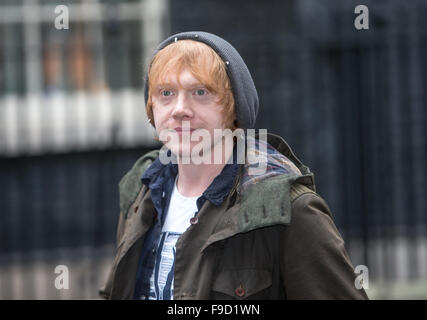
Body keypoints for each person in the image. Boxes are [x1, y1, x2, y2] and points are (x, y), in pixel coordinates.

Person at [99, 31, 368, 300]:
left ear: (233, 107)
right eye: (166, 92)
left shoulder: (287, 208)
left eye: (200, 92)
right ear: (152, 107)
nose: (180, 109)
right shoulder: (142, 190)